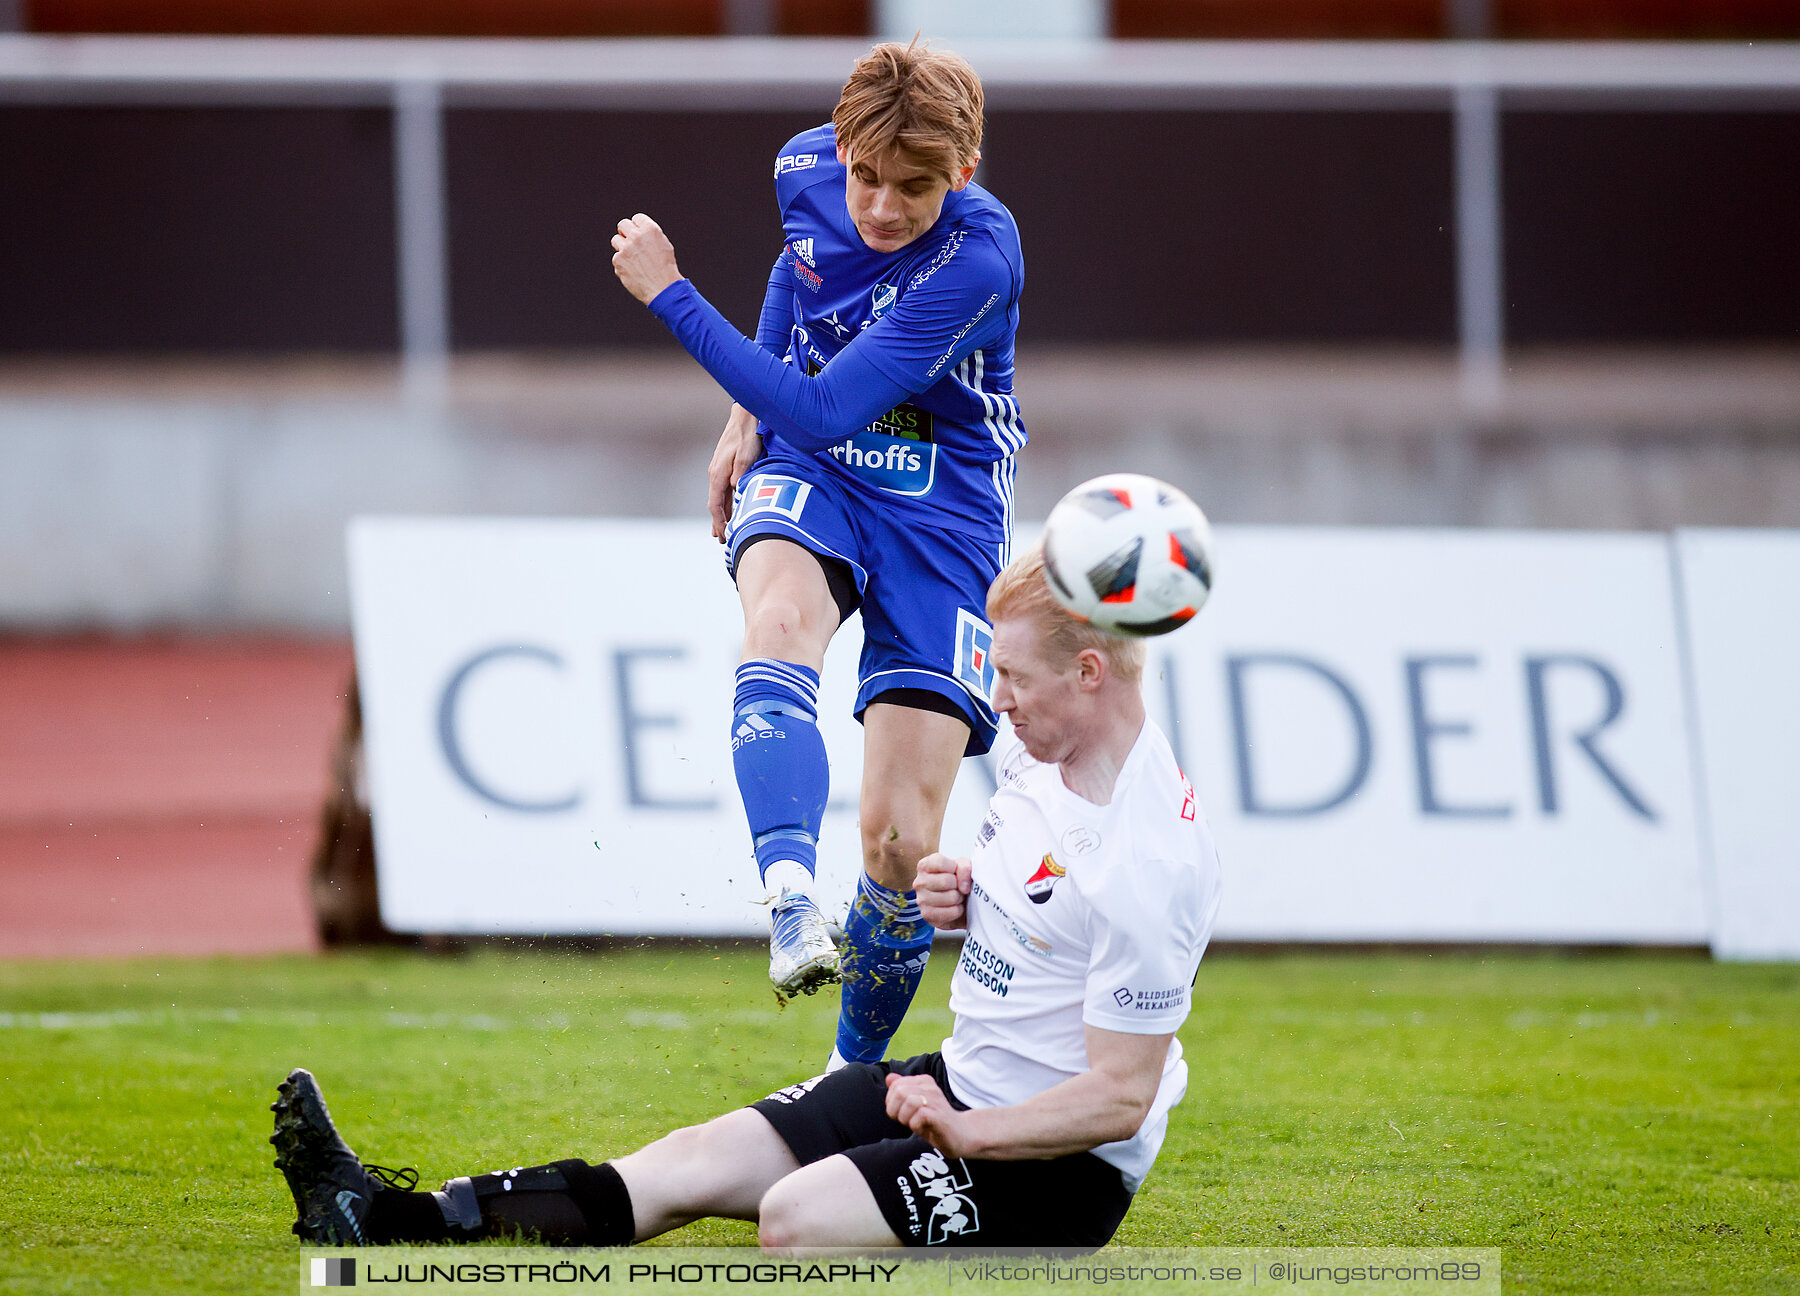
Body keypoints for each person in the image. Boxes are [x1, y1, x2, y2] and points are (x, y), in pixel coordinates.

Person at [272, 549, 1222, 1250]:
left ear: (1089, 674)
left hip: (1058, 1165)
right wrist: (974, 895)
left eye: (1012, 679)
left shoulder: (1152, 860)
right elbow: (1048, 898)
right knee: (687, 1164)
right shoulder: (1042, 750)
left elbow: (1120, 1095)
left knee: (795, 1219)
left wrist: (969, 1132)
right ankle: (389, 1221)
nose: (996, 702)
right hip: (960, 1081)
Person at [608, 39, 1028, 1070]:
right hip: (817, 466)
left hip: (944, 504)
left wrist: (671, 296)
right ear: (840, 146)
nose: (882, 206)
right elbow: (798, 275)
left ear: (963, 173)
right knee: (781, 622)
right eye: (867, 176)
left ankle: (846, 1076)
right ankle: (790, 898)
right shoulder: (804, 168)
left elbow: (835, 400)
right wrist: (746, 413)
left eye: (915, 187)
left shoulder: (980, 255)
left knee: (898, 842)